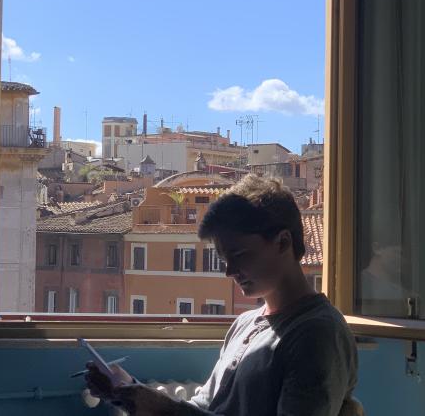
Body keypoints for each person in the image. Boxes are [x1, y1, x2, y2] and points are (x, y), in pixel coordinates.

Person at [86, 175, 358, 416]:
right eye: (224, 259)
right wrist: (127, 392)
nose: (229, 271)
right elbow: (204, 408)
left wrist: (165, 409)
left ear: (283, 242)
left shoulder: (318, 334)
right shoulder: (245, 324)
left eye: (239, 255)